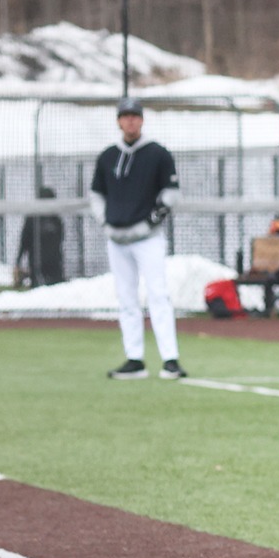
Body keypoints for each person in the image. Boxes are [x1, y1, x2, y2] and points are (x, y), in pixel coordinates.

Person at [89, 97, 185, 379]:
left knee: (158, 295)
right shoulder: (108, 156)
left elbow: (170, 195)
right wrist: (105, 221)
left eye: (135, 116)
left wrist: (149, 223)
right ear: (118, 121)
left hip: (147, 238)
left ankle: (170, 359)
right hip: (116, 239)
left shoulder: (158, 154)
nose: (130, 121)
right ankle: (134, 359)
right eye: (125, 116)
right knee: (127, 299)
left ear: (142, 120)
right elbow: (96, 194)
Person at [15, 187, 68, 287]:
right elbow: (24, 242)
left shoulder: (56, 219)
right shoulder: (32, 219)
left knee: (57, 289)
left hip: (54, 264)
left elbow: (60, 242)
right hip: (37, 265)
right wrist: (18, 263)